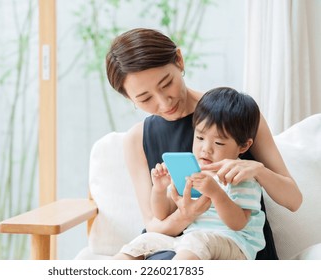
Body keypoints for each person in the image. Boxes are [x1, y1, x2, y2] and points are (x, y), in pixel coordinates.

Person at [105, 28, 302, 260]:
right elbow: (153, 224)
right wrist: (187, 215)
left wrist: (259, 171)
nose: (163, 101)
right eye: (145, 98)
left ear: (179, 60)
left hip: (233, 246)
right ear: (130, 99)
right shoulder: (137, 139)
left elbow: (293, 200)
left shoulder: (234, 113)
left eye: (166, 83)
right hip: (174, 243)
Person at [114, 87, 265, 260]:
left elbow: (238, 223)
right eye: (200, 138)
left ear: (243, 146)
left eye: (218, 142)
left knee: (195, 243)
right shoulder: (191, 171)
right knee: (142, 242)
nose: (206, 149)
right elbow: (162, 214)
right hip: (190, 242)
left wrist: (215, 192)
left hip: (235, 244)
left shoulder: (239, 175)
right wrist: (160, 190)